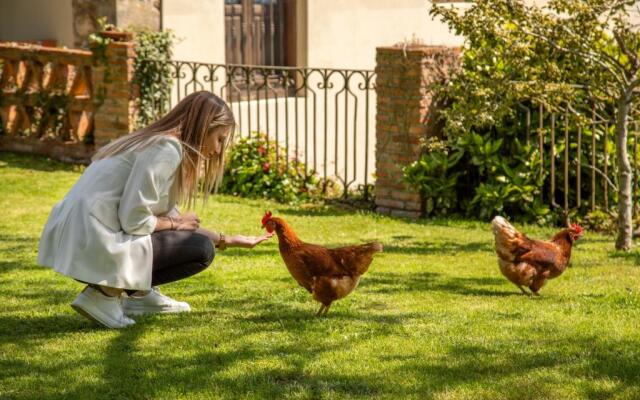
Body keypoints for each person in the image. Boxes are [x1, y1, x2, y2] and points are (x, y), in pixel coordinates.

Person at [37, 91, 273, 329]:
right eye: (220, 139)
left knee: (195, 241)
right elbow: (135, 220)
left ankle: (140, 295)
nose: (220, 150)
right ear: (203, 128)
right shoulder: (166, 149)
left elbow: (168, 217)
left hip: (80, 237)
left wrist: (228, 239)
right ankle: (103, 296)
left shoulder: (159, 143)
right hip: (91, 240)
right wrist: (176, 225)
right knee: (200, 250)